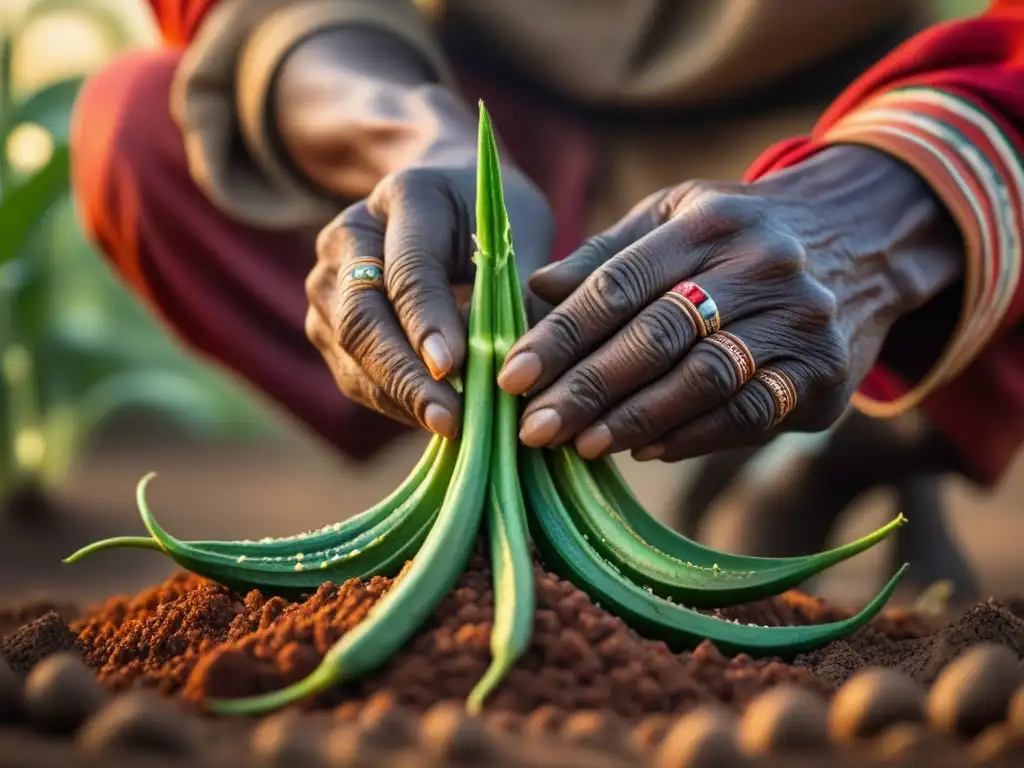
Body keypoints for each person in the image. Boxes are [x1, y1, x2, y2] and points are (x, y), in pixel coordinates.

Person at [70, 1, 1024, 510]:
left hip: (827, 138)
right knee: (138, 128)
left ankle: (870, 447)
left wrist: (866, 222)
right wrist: (412, 141)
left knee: (980, 191)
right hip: (473, 109)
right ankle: (499, 464)